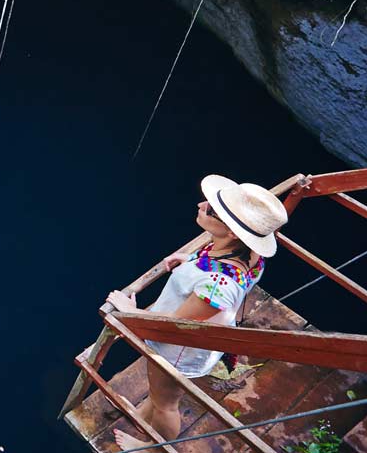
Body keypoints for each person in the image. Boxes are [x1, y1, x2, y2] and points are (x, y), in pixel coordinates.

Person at [104, 175, 289, 451]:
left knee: (166, 403)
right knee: (158, 391)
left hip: (178, 350)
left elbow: (174, 324)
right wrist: (190, 261)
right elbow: (215, 268)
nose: (202, 204)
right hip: (189, 338)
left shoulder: (217, 284)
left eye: (212, 210)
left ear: (232, 233)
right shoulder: (248, 256)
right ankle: (143, 414)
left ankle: (153, 448)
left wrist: (130, 311)